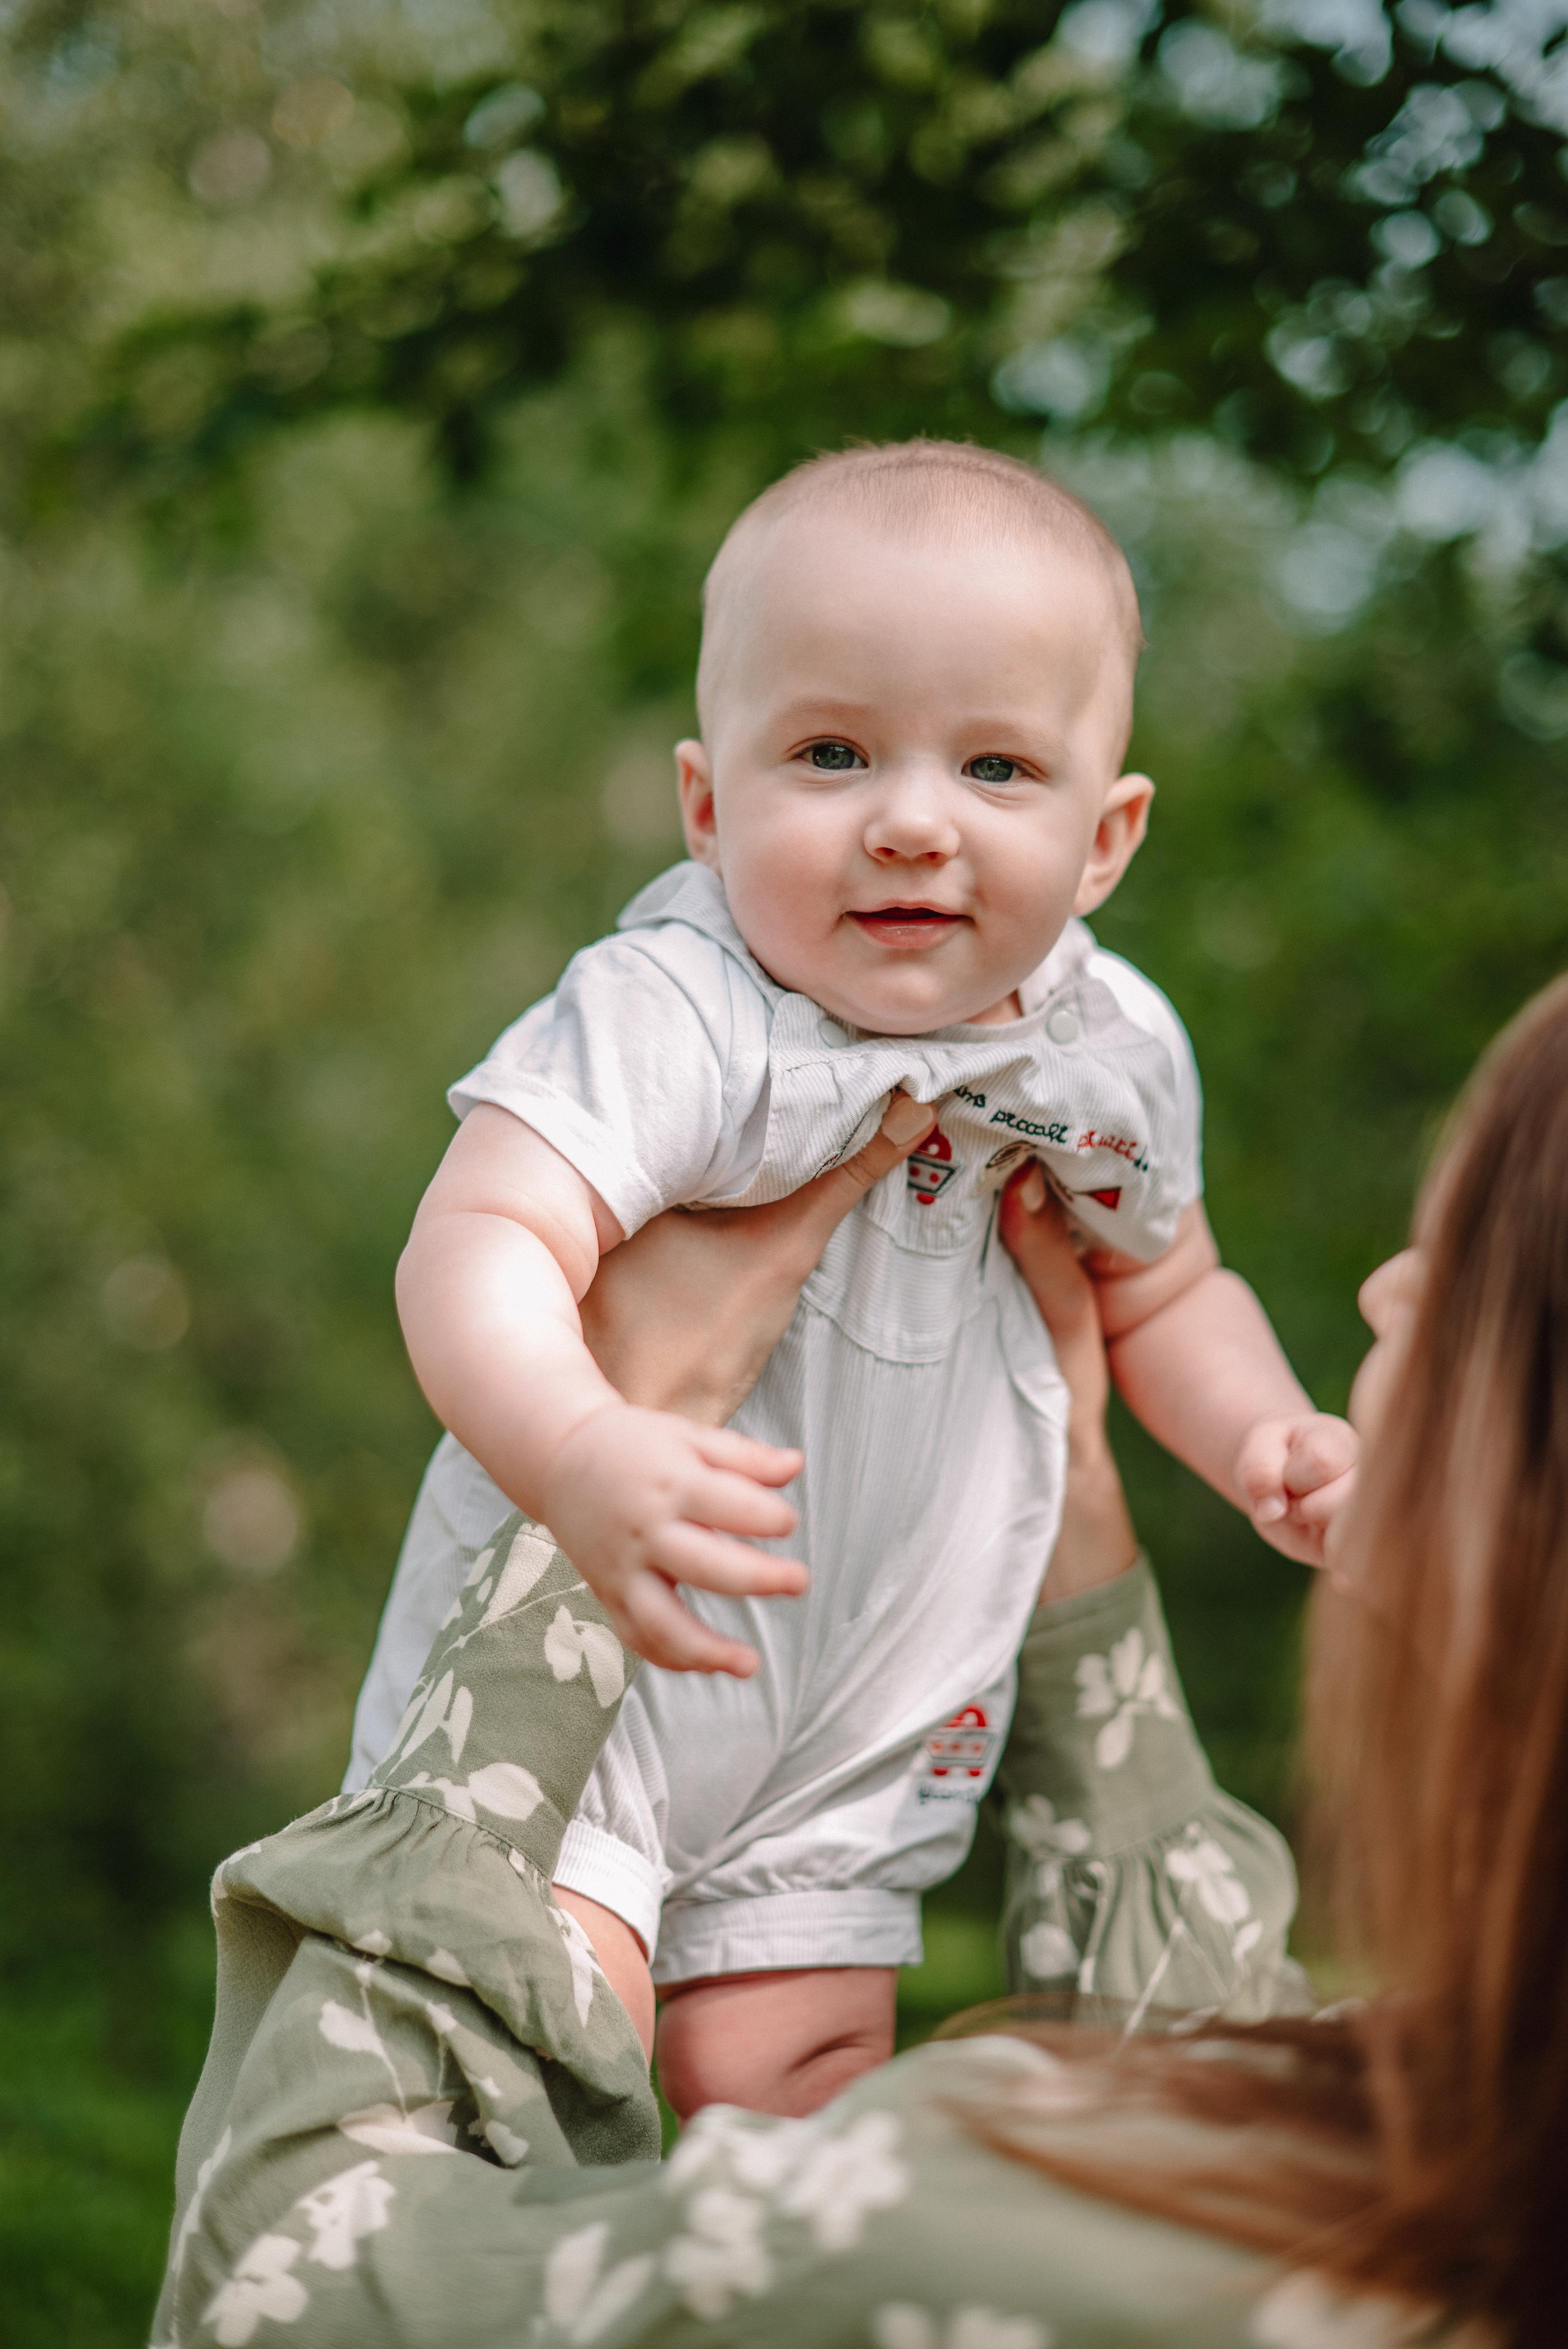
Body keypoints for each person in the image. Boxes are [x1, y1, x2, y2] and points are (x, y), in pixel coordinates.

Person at [155, 972, 1568, 2347]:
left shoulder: (976, 2242)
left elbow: (286, 2289)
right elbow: (1217, 2052)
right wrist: (1058, 1497)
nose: (1390, 1287)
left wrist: (606, 1453)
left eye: (1471, 1263)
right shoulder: (1460, 2172)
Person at [363, 441, 1355, 2115]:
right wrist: (576, 1445)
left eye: (994, 766)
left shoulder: (1107, 1054)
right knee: (541, 2056)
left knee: (801, 2094)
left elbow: (1168, 1290)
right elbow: (479, 1240)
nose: (909, 820)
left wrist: (1269, 1437)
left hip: (869, 1707)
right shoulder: (680, 1014)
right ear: (708, 802)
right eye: (831, 753)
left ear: (1106, 838)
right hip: (591, 1667)